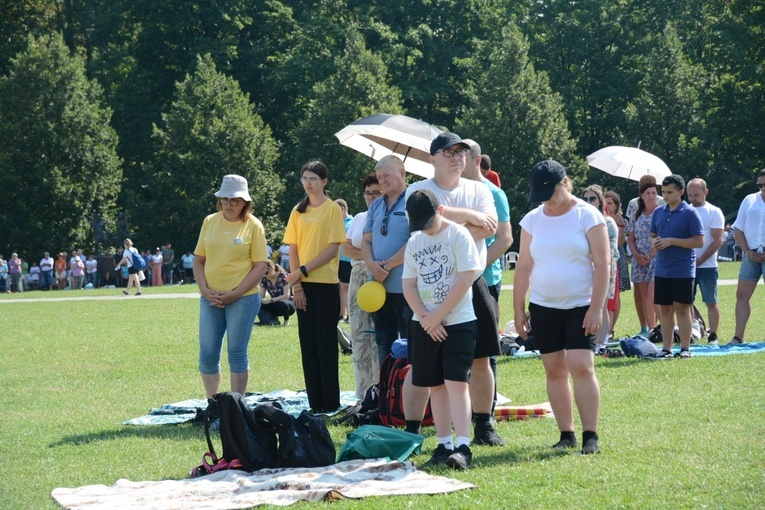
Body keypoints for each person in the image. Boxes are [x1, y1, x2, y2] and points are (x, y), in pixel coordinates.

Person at [405, 133, 503, 447]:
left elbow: (490, 227)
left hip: (471, 282)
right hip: (431, 290)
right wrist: (470, 218)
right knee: (426, 365)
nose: (456, 157)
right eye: (448, 153)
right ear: (431, 158)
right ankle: (413, 430)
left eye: (461, 152)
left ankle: (483, 425)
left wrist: (444, 215)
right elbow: (427, 226)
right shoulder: (418, 190)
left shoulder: (480, 188)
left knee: (481, 358)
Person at [513, 160, 609, 455]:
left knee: (581, 366)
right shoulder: (532, 219)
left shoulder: (588, 215)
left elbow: (603, 263)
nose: (545, 199)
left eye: (549, 191)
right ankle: (566, 433)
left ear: (565, 182)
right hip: (543, 306)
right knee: (554, 370)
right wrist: (518, 309)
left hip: (581, 305)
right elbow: (524, 266)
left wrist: (596, 308)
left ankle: (590, 435)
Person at [403, 189, 483, 470]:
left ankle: (463, 445)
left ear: (441, 212)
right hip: (424, 324)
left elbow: (465, 280)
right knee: (435, 385)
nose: (425, 229)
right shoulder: (415, 241)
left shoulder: (459, 235)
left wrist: (438, 315)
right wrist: (425, 317)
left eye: (428, 222)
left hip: (458, 323)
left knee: (456, 383)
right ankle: (443, 443)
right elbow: (409, 284)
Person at [193, 174, 269, 400]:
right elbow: (199, 260)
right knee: (207, 355)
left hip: (243, 298)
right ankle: (213, 404)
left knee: (236, 352)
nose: (228, 205)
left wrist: (234, 293)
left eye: (234, 200)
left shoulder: (254, 226)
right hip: (211, 298)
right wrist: (205, 291)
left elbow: (260, 265)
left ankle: (237, 407)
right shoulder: (210, 221)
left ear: (245, 202)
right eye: (225, 199)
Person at [283, 160, 347, 413]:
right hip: (303, 287)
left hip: (326, 284)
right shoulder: (297, 211)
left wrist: (302, 271)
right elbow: (293, 249)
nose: (308, 183)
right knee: (307, 344)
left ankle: (331, 402)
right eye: (304, 179)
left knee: (325, 344)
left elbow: (333, 249)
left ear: (324, 182)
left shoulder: (332, 209)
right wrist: (297, 286)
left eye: (313, 179)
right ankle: (315, 403)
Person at [361, 156, 413, 366]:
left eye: (387, 175)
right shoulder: (376, 206)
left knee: (409, 343)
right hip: (379, 287)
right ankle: (387, 392)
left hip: (406, 287)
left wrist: (389, 265)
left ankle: (408, 395)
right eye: (379, 176)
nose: (382, 180)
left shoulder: (414, 200)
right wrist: (372, 264)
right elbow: (365, 241)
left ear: (402, 173)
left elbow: (416, 240)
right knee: (384, 343)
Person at [649, 175, 704, 358]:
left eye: (669, 192)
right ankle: (666, 349)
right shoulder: (658, 212)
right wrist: (654, 242)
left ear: (681, 192)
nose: (665, 196)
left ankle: (685, 348)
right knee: (665, 310)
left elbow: (699, 241)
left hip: (682, 270)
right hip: (662, 269)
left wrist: (672, 241)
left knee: (682, 308)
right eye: (663, 192)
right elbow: (651, 235)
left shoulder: (690, 213)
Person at [344, 173, 383, 400]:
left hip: (379, 278)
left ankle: (381, 390)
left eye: (376, 192)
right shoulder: (360, 217)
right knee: (359, 335)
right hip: (358, 277)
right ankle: (363, 393)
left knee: (379, 335)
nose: (371, 197)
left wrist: (369, 260)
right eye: (368, 193)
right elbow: (346, 249)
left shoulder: (389, 217)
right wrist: (367, 257)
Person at [686, 178, 725, 344]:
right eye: (690, 195)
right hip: (686, 266)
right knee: (685, 302)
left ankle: (713, 335)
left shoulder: (714, 212)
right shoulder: (685, 211)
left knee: (711, 300)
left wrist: (700, 260)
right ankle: (690, 332)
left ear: (705, 192)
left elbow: (717, 240)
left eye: (696, 195)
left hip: (708, 266)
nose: (693, 198)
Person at [729, 169, 765, 344]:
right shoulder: (749, 200)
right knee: (742, 296)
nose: (763, 187)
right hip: (750, 254)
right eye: (760, 185)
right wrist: (747, 251)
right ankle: (738, 336)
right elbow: (738, 228)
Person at [582, 185, 619, 353]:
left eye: (592, 198)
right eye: (586, 199)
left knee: (602, 304)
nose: (589, 202)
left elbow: (610, 250)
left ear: (599, 200)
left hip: (605, 266)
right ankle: (589, 340)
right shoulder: (581, 219)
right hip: (585, 266)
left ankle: (601, 342)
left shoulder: (608, 221)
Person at [626, 178, 659, 337]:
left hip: (656, 258)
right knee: (644, 294)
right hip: (639, 259)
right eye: (648, 193)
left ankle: (665, 327)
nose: (651, 196)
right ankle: (652, 330)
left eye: (654, 193)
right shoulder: (635, 213)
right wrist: (636, 255)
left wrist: (652, 253)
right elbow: (630, 238)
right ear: (642, 195)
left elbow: (664, 236)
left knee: (654, 294)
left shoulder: (662, 211)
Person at [604, 191, 628, 336]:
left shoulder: (619, 221)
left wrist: (619, 226)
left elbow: (620, 243)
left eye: (610, 203)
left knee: (615, 296)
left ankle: (611, 329)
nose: (607, 205)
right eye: (605, 202)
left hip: (617, 259)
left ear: (616, 206)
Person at [257, 261, 296, 326]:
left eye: (266, 272)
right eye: (262, 273)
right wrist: (261, 300)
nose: (264, 275)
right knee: (257, 303)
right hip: (275, 303)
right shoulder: (264, 279)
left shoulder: (284, 276)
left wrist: (270, 300)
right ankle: (271, 320)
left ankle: (286, 320)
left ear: (272, 269)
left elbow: (286, 295)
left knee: (283, 303)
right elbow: (261, 295)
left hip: (288, 305)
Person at [335, 198, 353, 323]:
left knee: (347, 287)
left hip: (349, 260)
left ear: (342, 209)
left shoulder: (352, 222)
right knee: (341, 288)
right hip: (338, 260)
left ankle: (350, 314)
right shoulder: (336, 224)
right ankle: (343, 314)